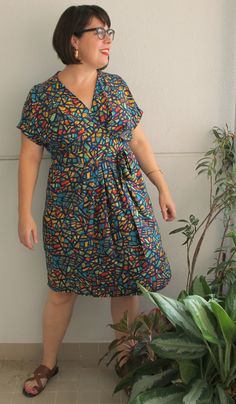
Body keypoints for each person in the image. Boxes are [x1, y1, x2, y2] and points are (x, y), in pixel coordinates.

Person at [17, 4, 176, 398]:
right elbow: (30, 156)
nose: (108, 40)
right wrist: (23, 213)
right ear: (74, 41)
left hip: (125, 199)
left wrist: (162, 185)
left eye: (110, 32)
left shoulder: (117, 86)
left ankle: (125, 357)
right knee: (61, 288)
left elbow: (138, 140)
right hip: (70, 206)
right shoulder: (43, 97)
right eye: (98, 33)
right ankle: (48, 363)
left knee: (127, 284)